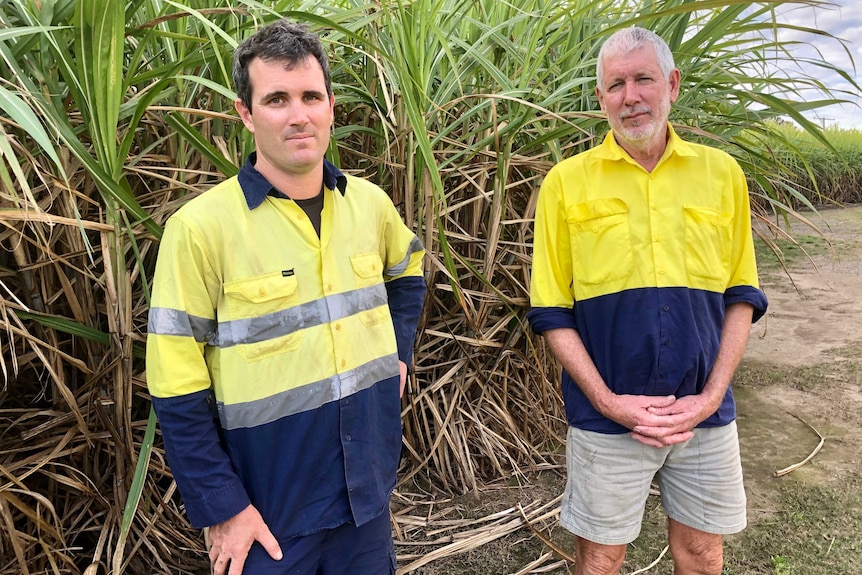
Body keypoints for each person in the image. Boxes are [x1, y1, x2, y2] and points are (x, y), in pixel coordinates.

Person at [146, 19, 426, 575]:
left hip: (363, 497)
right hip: (268, 516)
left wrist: (397, 352)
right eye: (276, 99)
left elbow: (409, 270)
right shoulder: (201, 229)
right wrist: (223, 508)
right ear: (245, 113)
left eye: (310, 96)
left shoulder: (369, 204)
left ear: (330, 106)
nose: (298, 114)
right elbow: (175, 387)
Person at [527, 27, 768, 575]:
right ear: (600, 98)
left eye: (643, 79)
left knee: (703, 554)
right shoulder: (566, 184)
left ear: (672, 85)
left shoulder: (722, 174)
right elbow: (551, 311)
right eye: (615, 84)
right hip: (607, 418)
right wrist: (610, 401)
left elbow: (742, 297)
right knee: (600, 558)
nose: (630, 96)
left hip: (702, 416)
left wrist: (710, 397)